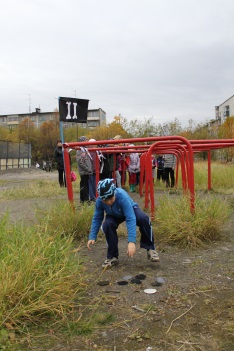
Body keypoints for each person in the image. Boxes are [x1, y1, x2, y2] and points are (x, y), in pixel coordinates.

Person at [87, 178, 159, 268]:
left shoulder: (121, 196)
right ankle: (112, 256)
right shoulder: (99, 201)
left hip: (130, 209)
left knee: (143, 219)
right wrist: (92, 236)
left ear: (114, 193)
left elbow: (130, 218)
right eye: (105, 200)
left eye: (111, 198)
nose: (109, 202)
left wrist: (131, 241)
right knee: (107, 225)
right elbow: (97, 218)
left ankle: (150, 249)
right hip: (113, 215)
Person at [76, 136, 93, 203]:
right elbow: (80, 161)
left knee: (84, 185)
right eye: (86, 140)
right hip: (84, 171)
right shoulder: (80, 150)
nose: (87, 141)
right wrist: (87, 169)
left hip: (86, 171)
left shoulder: (85, 149)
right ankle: (85, 199)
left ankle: (83, 199)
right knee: (84, 185)